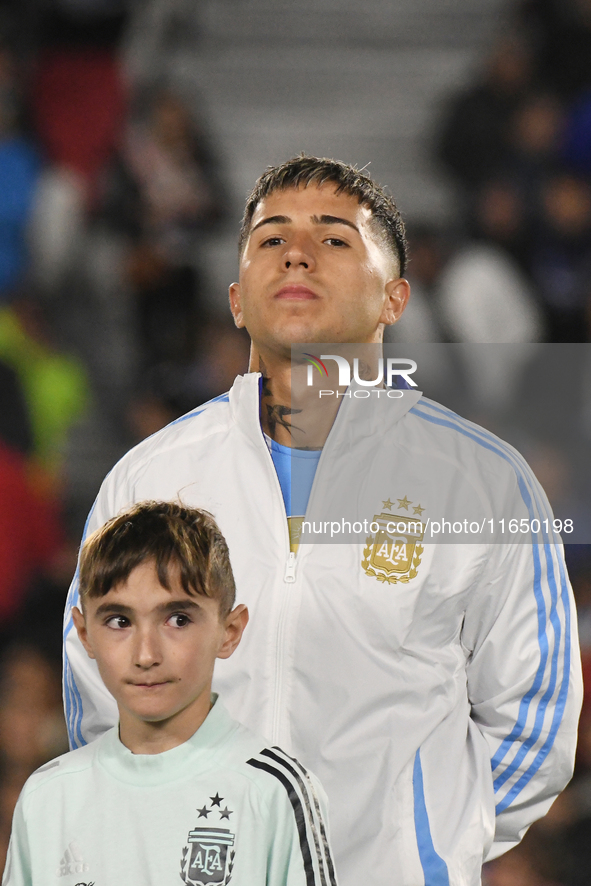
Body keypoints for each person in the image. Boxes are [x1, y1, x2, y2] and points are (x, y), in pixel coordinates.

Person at [63, 156, 581, 886]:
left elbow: (533, 718)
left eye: (334, 240)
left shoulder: (481, 485)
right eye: (271, 239)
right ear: (237, 299)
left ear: (393, 298)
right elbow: (97, 689)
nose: (296, 253)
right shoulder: (149, 481)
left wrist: (418, 847)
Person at [6, 501, 336, 884]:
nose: (146, 655)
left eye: (178, 619)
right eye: (120, 621)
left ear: (229, 631)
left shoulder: (276, 792)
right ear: (84, 633)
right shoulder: (48, 798)